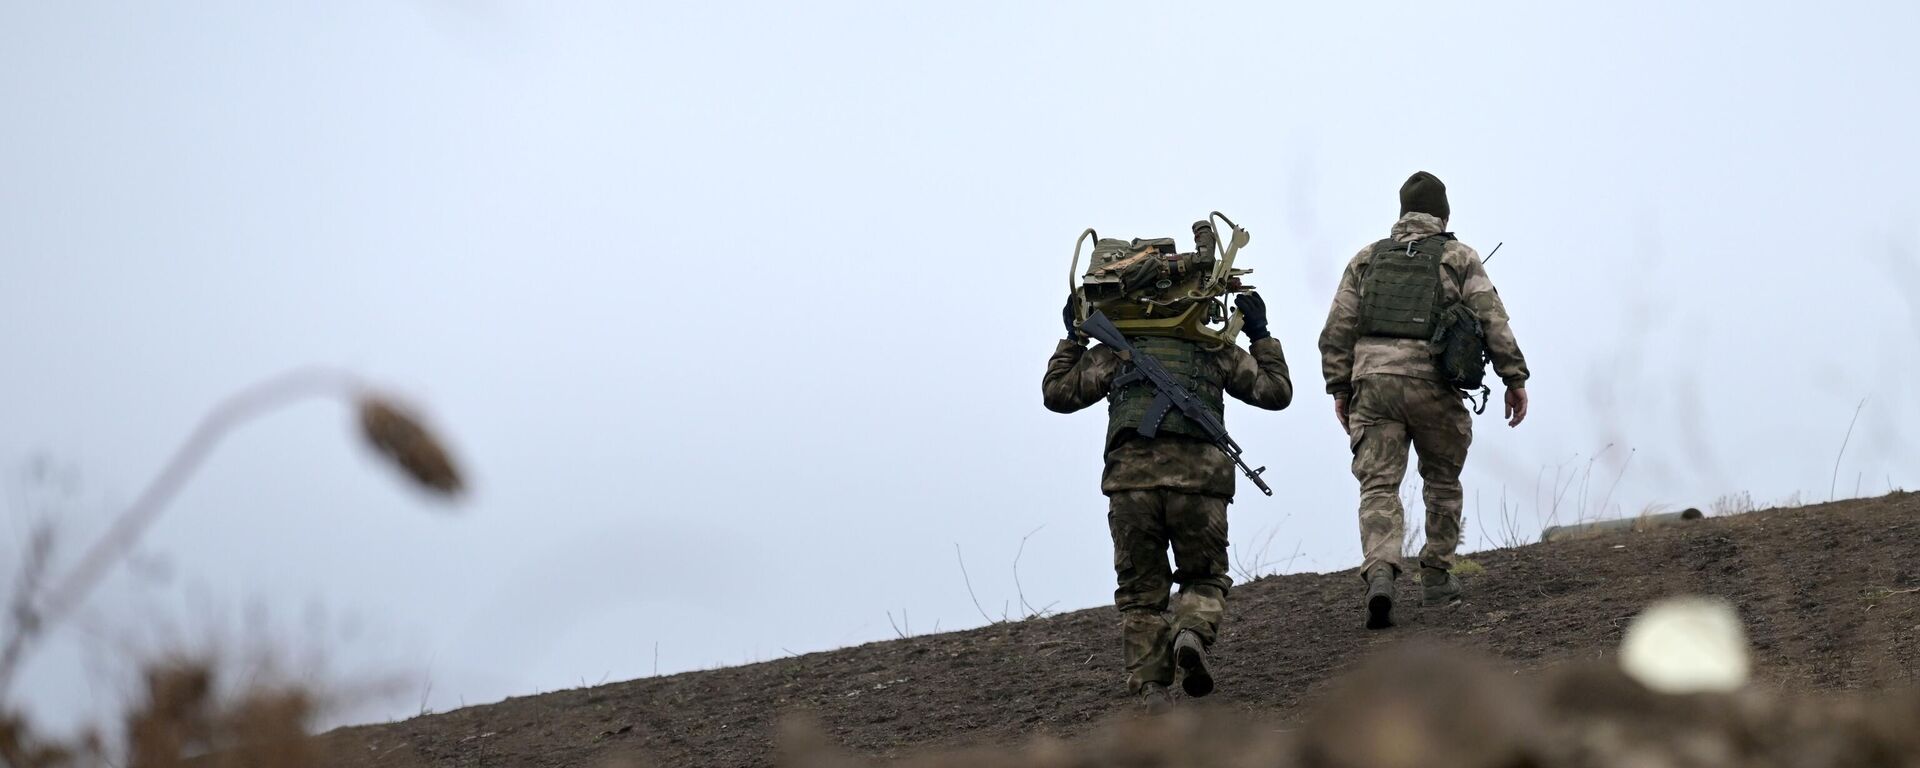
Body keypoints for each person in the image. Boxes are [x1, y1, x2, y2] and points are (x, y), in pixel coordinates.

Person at [1043, 292, 1293, 711]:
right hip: (1201, 484)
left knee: (1141, 595)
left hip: (1131, 485)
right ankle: (1191, 632)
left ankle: (1152, 689)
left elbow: (1058, 393)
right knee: (1204, 577)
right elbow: (1275, 391)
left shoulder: (1113, 352)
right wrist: (1260, 334)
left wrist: (1072, 338)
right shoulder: (1215, 350)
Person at [1317, 171, 1530, 629]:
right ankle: (1435, 574)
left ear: (1401, 215)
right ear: (1443, 214)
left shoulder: (1366, 259)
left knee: (1378, 486)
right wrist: (1514, 377)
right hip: (1434, 385)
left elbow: (1337, 330)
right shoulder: (1458, 256)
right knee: (1442, 481)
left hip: (1372, 385)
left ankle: (1380, 571)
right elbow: (1493, 321)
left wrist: (1340, 388)